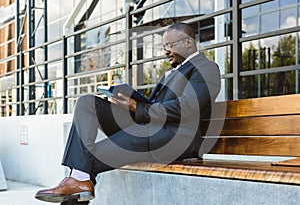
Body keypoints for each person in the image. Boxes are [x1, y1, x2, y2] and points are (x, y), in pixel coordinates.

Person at [35, 22, 221, 204]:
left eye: (170, 45)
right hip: (153, 130)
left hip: (177, 138)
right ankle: (79, 180)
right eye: (164, 46)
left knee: (85, 161)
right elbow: (156, 106)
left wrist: (138, 107)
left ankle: (78, 182)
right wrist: (130, 104)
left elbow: (187, 107)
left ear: (189, 42)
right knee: (87, 103)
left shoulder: (206, 68)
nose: (166, 51)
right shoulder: (169, 73)